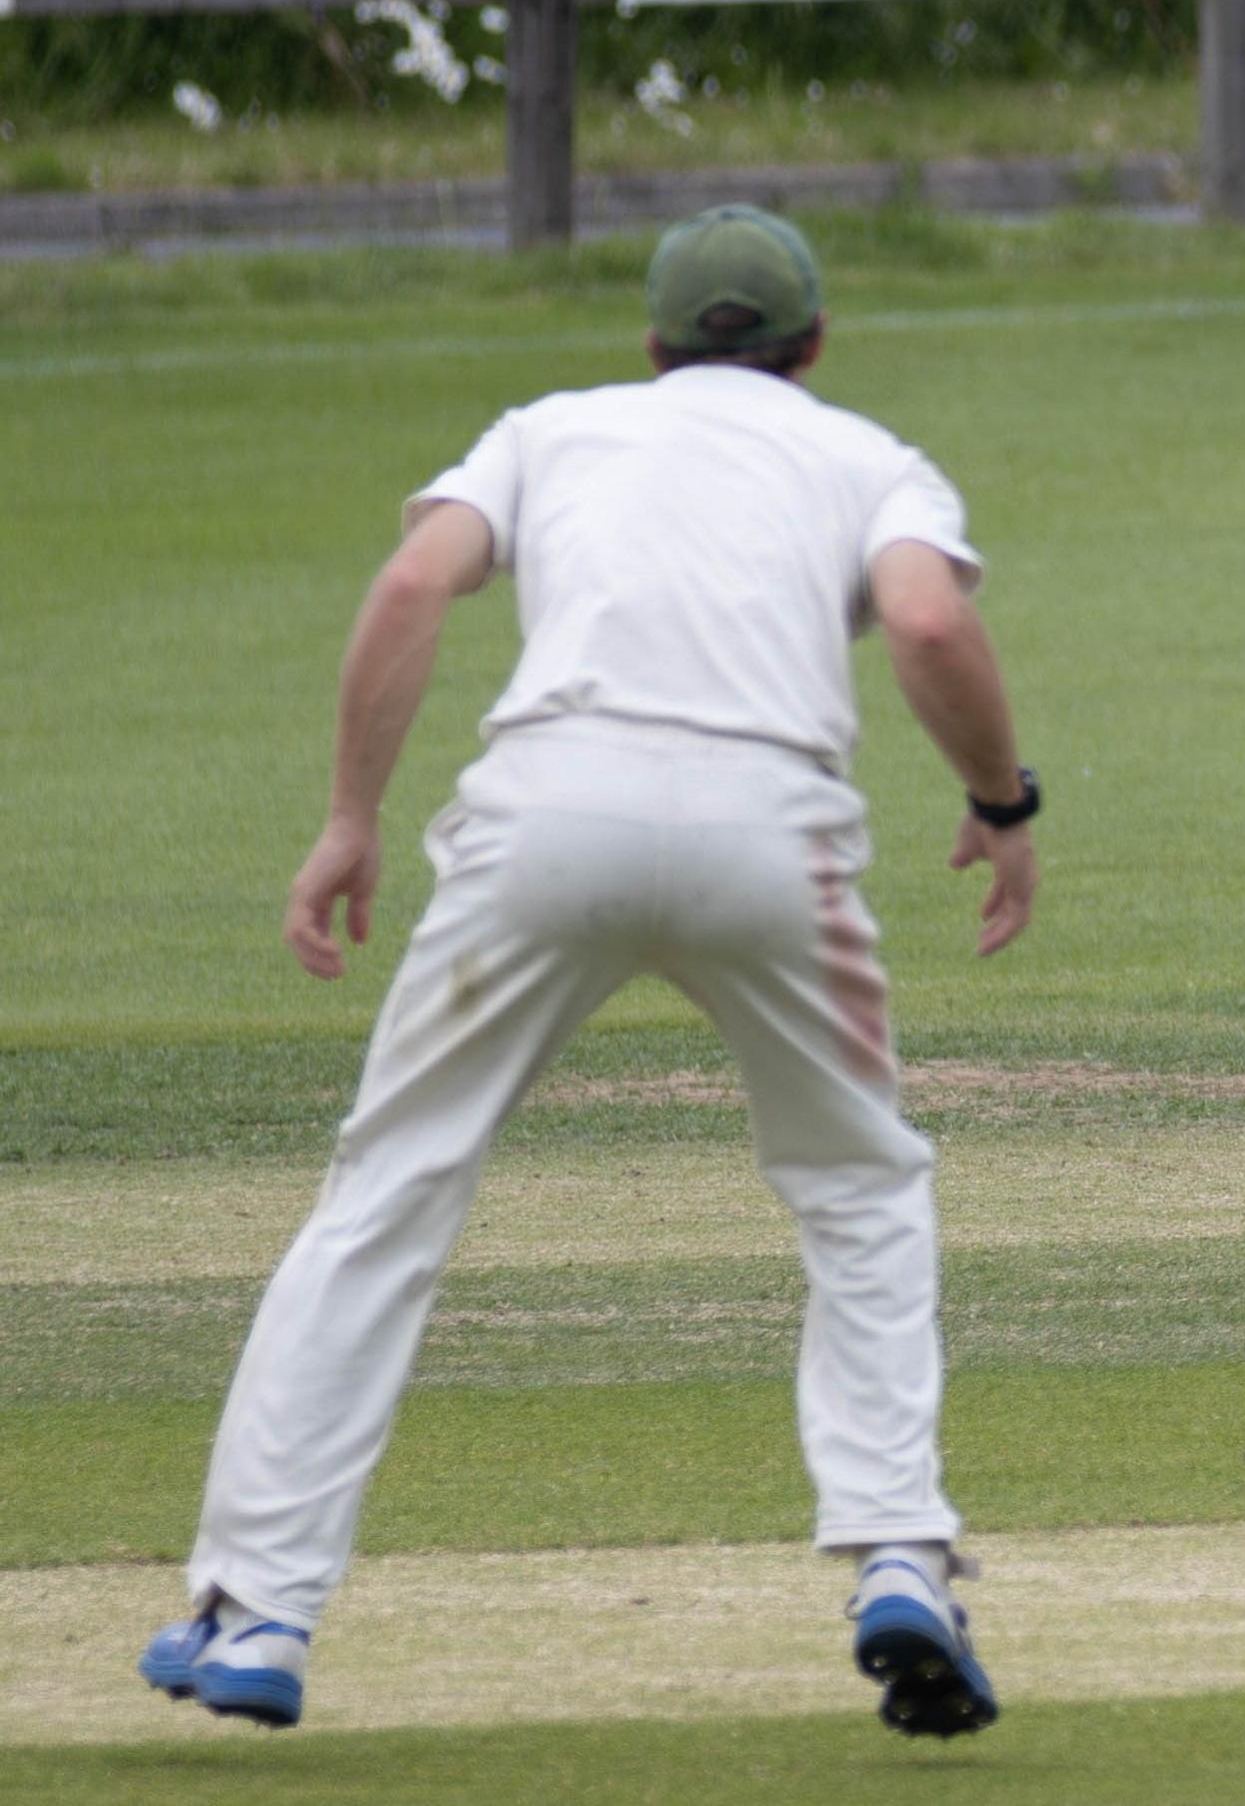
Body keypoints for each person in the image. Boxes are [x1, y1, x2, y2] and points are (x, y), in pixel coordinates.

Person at [135, 205, 1040, 1739]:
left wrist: (353, 816)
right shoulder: (863, 455)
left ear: (653, 342)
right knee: (861, 1187)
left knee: (390, 1190)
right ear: (812, 346)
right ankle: (897, 1548)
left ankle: (261, 1612)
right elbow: (930, 615)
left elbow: (417, 585)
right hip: (773, 834)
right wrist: (1003, 803)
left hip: (541, 823)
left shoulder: (550, 429)